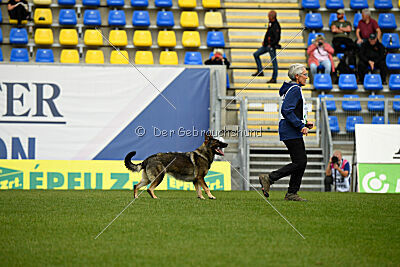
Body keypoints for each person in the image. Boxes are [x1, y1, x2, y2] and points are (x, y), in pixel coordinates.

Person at [259, 64, 314, 201]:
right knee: (300, 161)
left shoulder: (291, 88)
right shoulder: (295, 89)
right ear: (297, 76)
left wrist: (304, 123)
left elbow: (290, 110)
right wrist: (300, 125)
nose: (307, 77)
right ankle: (271, 178)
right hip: (291, 130)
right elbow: (287, 110)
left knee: (300, 162)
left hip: (289, 128)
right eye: (305, 75)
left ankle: (291, 192)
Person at [252, 10, 281, 83]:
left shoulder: (276, 26)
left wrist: (271, 44)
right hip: (266, 45)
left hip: (271, 47)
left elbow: (277, 38)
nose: (268, 17)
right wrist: (264, 42)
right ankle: (260, 71)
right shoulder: (270, 23)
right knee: (256, 54)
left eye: (269, 16)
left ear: (272, 17)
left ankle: (274, 78)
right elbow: (268, 33)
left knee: (274, 62)